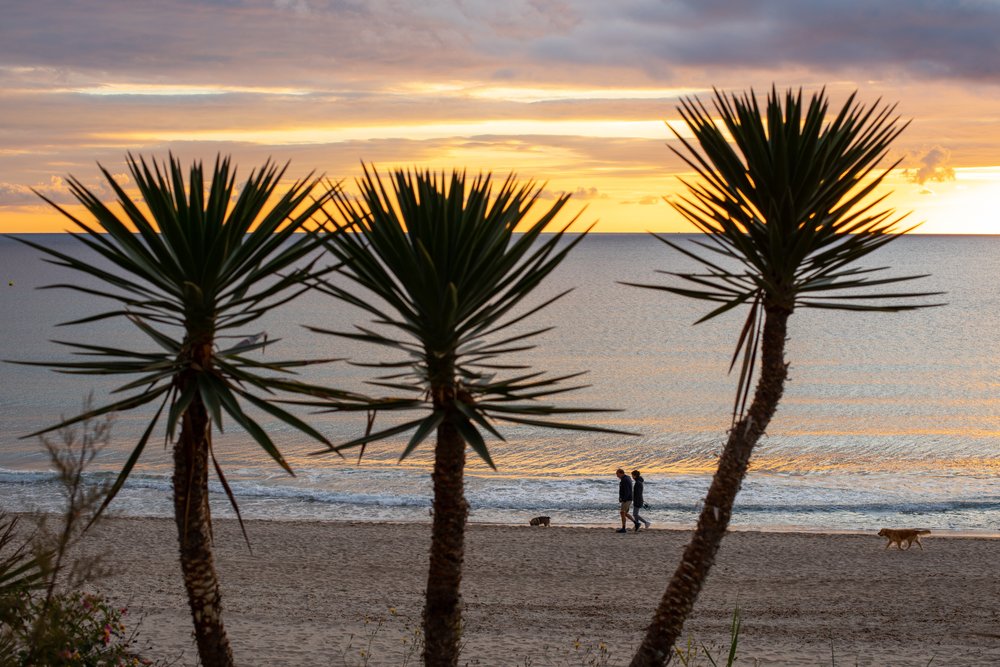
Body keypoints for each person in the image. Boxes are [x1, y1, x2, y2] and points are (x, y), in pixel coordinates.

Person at [615, 468, 634, 533]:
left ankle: (623, 528)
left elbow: (627, 491)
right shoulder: (627, 478)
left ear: (621, 473)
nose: (617, 476)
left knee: (622, 512)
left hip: (627, 499)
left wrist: (624, 499)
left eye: (617, 474)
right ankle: (636, 523)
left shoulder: (625, 480)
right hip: (629, 498)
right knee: (625, 513)